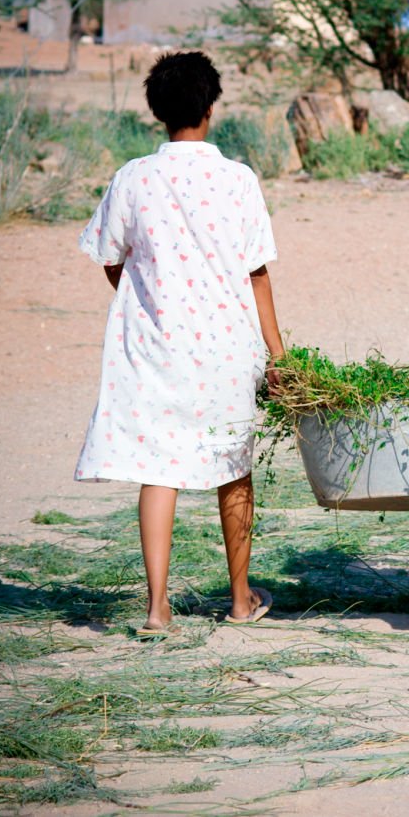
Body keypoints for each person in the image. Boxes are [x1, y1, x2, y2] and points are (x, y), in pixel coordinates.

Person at [74, 50, 284, 634]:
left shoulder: (133, 177)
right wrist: (279, 354)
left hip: (155, 346)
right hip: (227, 346)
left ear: (157, 111)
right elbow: (257, 272)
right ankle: (241, 599)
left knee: (157, 468)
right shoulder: (238, 179)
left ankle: (157, 608)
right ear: (211, 108)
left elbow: (111, 259)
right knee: (233, 468)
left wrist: (143, 295)